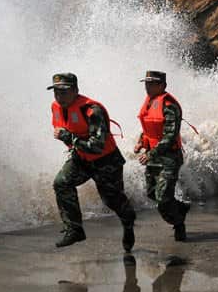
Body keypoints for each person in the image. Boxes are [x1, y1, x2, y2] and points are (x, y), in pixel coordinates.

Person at [49, 73, 136, 250]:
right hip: (81, 158)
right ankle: (74, 229)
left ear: (75, 90)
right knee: (61, 183)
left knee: (112, 201)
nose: (59, 96)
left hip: (106, 160)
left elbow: (96, 146)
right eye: (56, 92)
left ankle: (128, 223)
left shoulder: (92, 110)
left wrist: (68, 137)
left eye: (64, 92)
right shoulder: (56, 107)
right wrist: (70, 141)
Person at [134, 70, 191, 241]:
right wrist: (141, 142)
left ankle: (179, 223)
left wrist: (150, 154)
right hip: (153, 156)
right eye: (146, 83)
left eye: (152, 84)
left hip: (169, 158)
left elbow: (169, 136)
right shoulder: (150, 102)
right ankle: (181, 207)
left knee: (163, 199)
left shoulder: (169, 106)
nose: (147, 87)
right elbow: (149, 128)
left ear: (162, 85)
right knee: (152, 194)